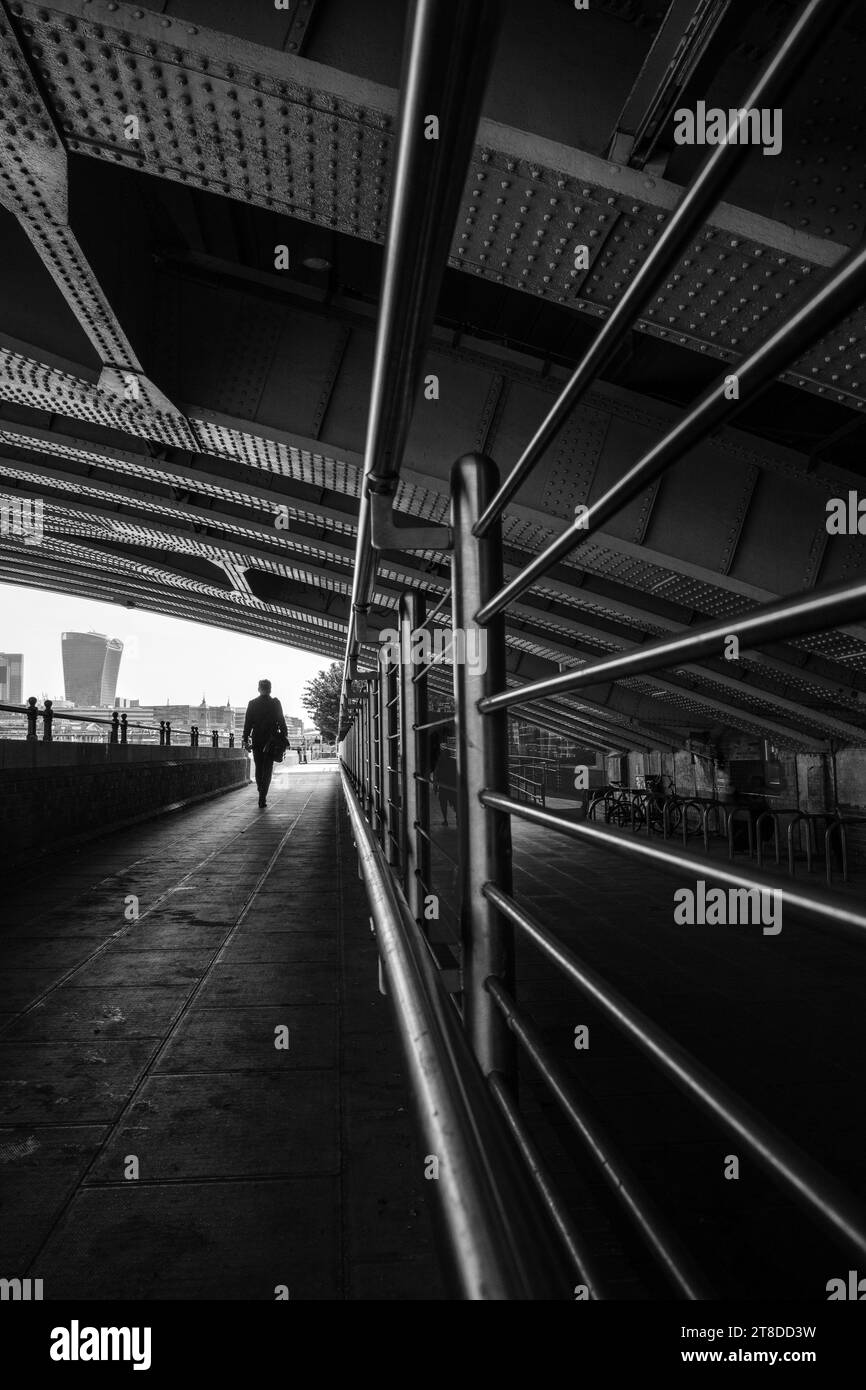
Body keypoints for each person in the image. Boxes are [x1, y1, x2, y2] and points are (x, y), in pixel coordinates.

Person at [242, 679, 287, 808]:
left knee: (259, 767)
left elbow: (247, 724)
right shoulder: (275, 703)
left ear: (259, 689)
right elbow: (281, 721)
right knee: (267, 769)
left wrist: (245, 739)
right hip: (271, 740)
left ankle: (261, 790)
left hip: (257, 740)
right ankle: (262, 796)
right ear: (270, 689)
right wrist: (284, 736)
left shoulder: (252, 704)